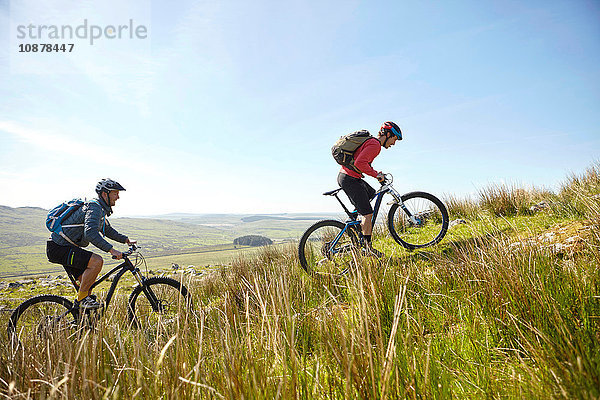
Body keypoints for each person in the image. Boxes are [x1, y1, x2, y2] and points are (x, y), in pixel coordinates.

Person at [46, 178, 136, 310]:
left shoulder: (100, 209)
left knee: (87, 285)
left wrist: (126, 240)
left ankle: (82, 318)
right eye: (115, 193)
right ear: (105, 194)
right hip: (59, 248)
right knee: (96, 261)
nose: (118, 197)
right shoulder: (94, 207)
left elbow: (107, 230)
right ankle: (82, 300)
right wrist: (112, 250)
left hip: (65, 248)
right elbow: (91, 233)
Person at [337, 121, 403, 257]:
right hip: (350, 179)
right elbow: (360, 163)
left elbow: (361, 162)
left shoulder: (372, 142)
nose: (393, 144)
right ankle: (367, 248)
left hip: (349, 177)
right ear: (388, 134)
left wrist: (375, 173)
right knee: (368, 213)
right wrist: (376, 174)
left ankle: (356, 225)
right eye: (394, 139)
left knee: (372, 194)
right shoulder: (375, 145)